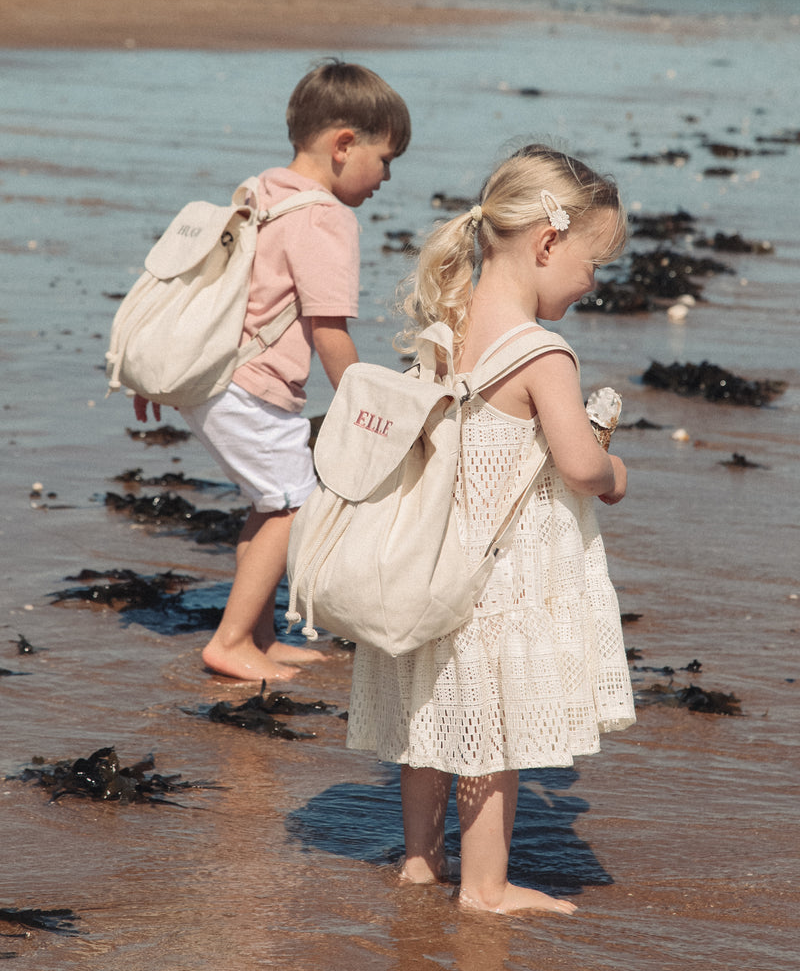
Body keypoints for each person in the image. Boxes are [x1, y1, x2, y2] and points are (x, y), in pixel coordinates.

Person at [346, 143, 636, 915]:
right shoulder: (544, 354)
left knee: (430, 718)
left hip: (433, 557)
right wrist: (616, 475)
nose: (594, 279)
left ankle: (419, 859)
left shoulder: (450, 323)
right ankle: (486, 886)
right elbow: (578, 465)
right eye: (592, 261)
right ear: (547, 243)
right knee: (491, 733)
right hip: (499, 577)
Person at [134, 59, 411, 683]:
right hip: (248, 389)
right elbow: (329, 330)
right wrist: (368, 410)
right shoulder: (325, 218)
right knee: (293, 507)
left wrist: (159, 371)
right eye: (386, 158)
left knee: (270, 502)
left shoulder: (259, 191)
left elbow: (204, 287)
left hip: (220, 379)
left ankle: (258, 634)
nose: (387, 176)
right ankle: (230, 641)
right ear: (345, 144)